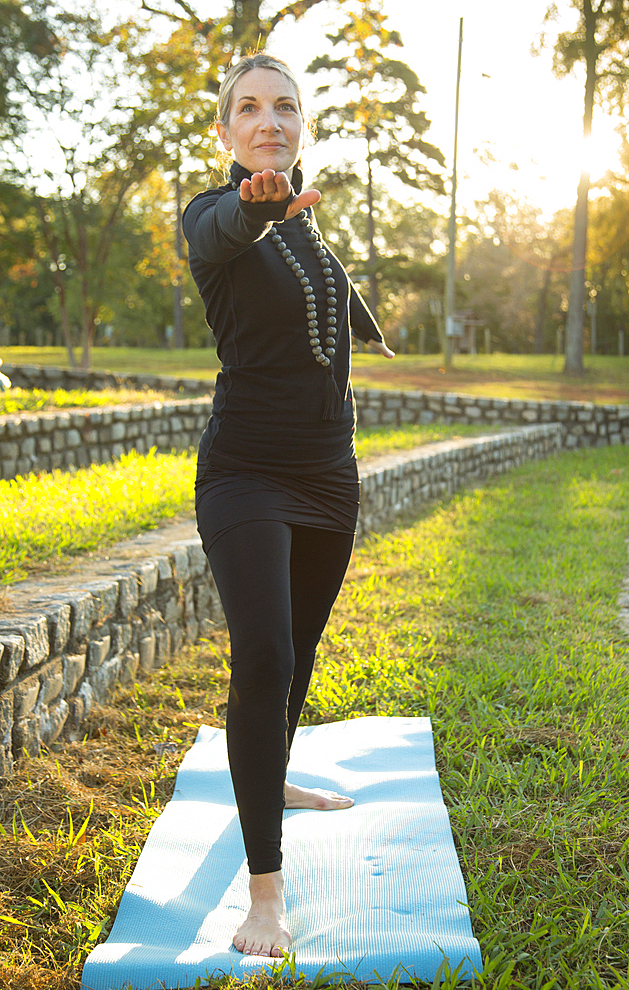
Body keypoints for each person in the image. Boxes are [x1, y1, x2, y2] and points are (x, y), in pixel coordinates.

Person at [182, 53, 394, 961]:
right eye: (250, 109)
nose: (268, 120)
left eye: (285, 108)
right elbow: (221, 232)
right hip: (245, 470)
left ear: (302, 125)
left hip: (328, 474)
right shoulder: (216, 213)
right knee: (262, 651)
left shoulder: (310, 225)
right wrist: (254, 206)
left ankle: (272, 777)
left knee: (298, 651)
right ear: (226, 130)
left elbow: (319, 305)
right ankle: (264, 894)